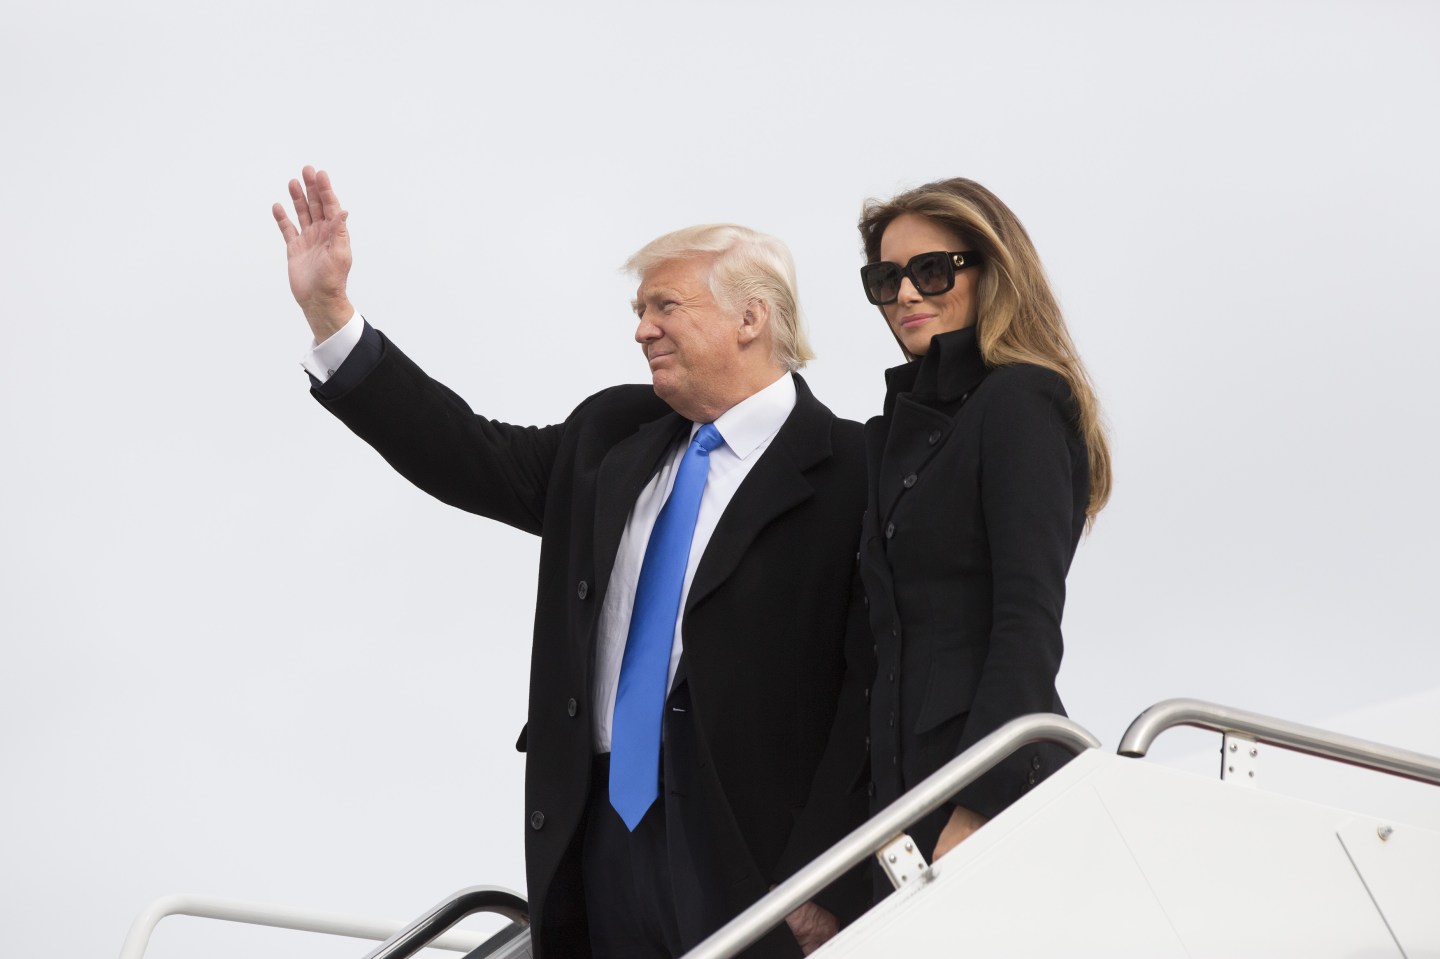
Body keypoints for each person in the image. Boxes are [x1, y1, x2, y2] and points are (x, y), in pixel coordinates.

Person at [272, 167, 870, 958]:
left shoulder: (856, 470)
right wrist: (331, 314)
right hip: (597, 839)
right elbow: (465, 453)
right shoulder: (609, 437)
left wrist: (827, 875)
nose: (642, 329)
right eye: (639, 311)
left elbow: (870, 690)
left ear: (750, 318)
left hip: (755, 852)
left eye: (666, 306)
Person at [853, 177, 1111, 870]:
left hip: (987, 797)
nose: (905, 294)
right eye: (886, 278)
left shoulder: (1020, 401)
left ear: (990, 272)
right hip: (901, 809)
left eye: (930, 270)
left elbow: (1027, 619)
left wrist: (979, 808)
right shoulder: (891, 438)